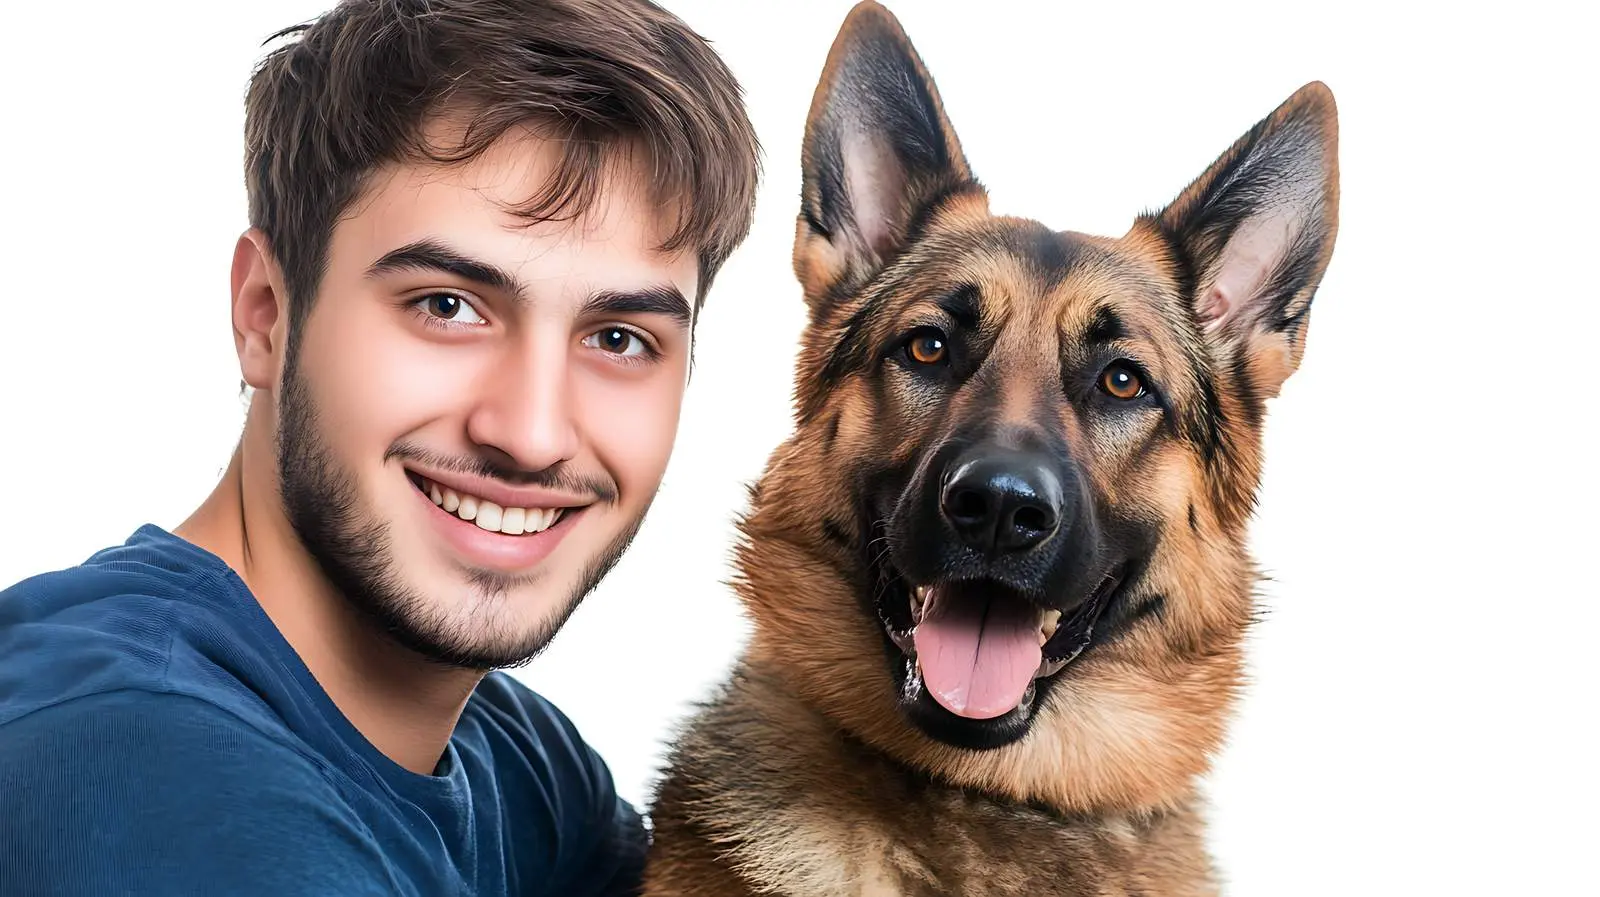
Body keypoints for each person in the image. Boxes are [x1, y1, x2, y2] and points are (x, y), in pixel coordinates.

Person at [0, 0, 759, 893]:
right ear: (267, 313)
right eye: (448, 306)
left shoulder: (519, 766)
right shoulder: (150, 770)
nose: (533, 434)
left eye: (618, 337)